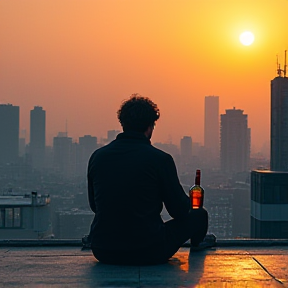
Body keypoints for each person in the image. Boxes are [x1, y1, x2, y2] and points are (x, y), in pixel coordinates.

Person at [86, 94, 209, 265]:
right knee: (199, 215)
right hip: (150, 249)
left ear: (123, 124)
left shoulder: (97, 157)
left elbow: (94, 206)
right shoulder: (160, 159)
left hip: (104, 249)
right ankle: (197, 244)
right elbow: (179, 211)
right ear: (150, 127)